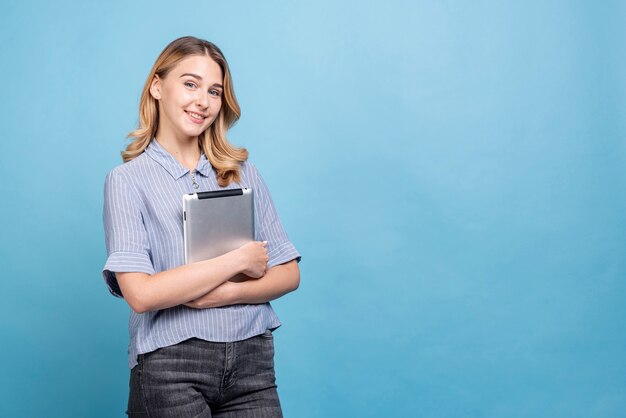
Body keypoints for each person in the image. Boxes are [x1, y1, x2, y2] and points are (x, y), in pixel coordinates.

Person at [102, 36, 301, 418]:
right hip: (170, 368)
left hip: (252, 363)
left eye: (214, 91)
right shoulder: (127, 180)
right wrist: (238, 260)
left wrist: (216, 296)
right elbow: (141, 294)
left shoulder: (244, 174)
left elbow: (289, 273)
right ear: (157, 87)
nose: (203, 101)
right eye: (190, 84)